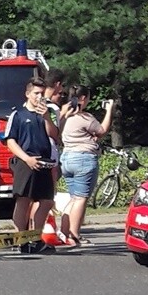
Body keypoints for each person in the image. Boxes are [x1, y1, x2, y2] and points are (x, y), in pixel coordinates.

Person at [6, 77, 59, 253]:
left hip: (44, 161)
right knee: (23, 200)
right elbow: (11, 141)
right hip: (25, 161)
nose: (39, 97)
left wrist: (46, 117)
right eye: (36, 93)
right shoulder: (18, 115)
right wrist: (26, 158)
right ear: (28, 94)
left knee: (46, 201)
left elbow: (54, 135)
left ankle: (36, 237)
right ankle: (21, 238)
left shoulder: (45, 114)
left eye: (42, 94)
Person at [59, 87, 114, 248]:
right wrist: (109, 111)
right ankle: (74, 234)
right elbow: (102, 131)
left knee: (74, 198)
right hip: (83, 158)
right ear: (83, 98)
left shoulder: (65, 116)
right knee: (81, 198)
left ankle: (64, 231)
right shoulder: (85, 117)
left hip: (67, 157)